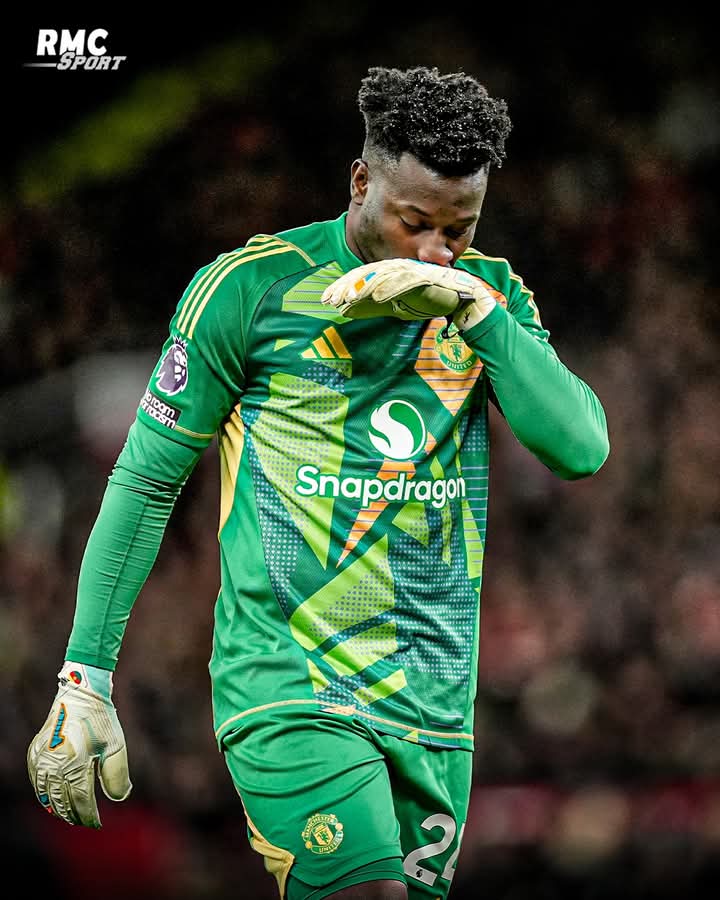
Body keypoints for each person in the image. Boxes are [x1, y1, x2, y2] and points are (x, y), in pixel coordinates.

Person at [27, 65, 610, 899]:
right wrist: (86, 674)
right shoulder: (249, 290)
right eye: (414, 222)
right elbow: (147, 481)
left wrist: (478, 313)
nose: (435, 250)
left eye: (460, 228)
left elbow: (580, 448)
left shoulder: (488, 296)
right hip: (290, 686)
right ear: (361, 182)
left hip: (434, 705)